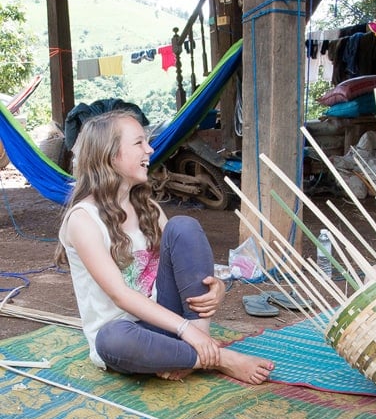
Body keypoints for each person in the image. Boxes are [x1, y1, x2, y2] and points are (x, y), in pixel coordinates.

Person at [55, 110, 274, 385]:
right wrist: (185, 329)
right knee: (111, 340)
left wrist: (215, 285)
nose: (150, 149)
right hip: (128, 335)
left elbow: (183, 263)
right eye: (138, 143)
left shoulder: (148, 208)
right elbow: (121, 296)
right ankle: (216, 357)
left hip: (168, 323)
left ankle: (195, 347)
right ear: (110, 155)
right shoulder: (83, 219)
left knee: (184, 227)